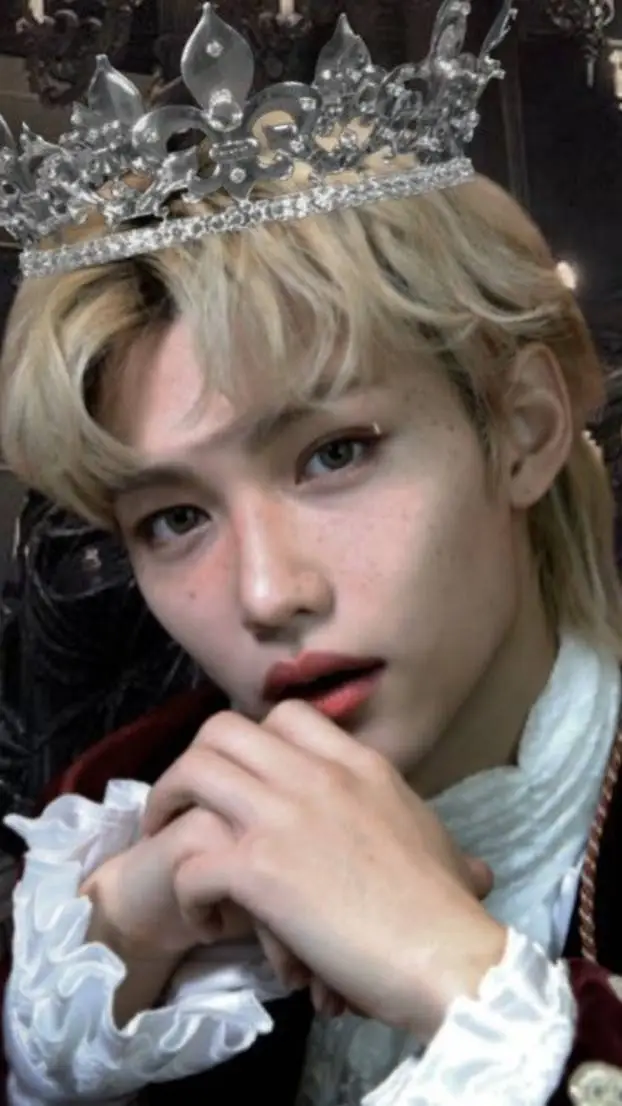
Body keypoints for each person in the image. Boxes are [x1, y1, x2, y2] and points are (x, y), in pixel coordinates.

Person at [1, 2, 622, 1104]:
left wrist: (466, 986)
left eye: (335, 454)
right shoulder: (121, 807)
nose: (265, 592)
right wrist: (127, 936)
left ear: (522, 430)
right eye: (173, 518)